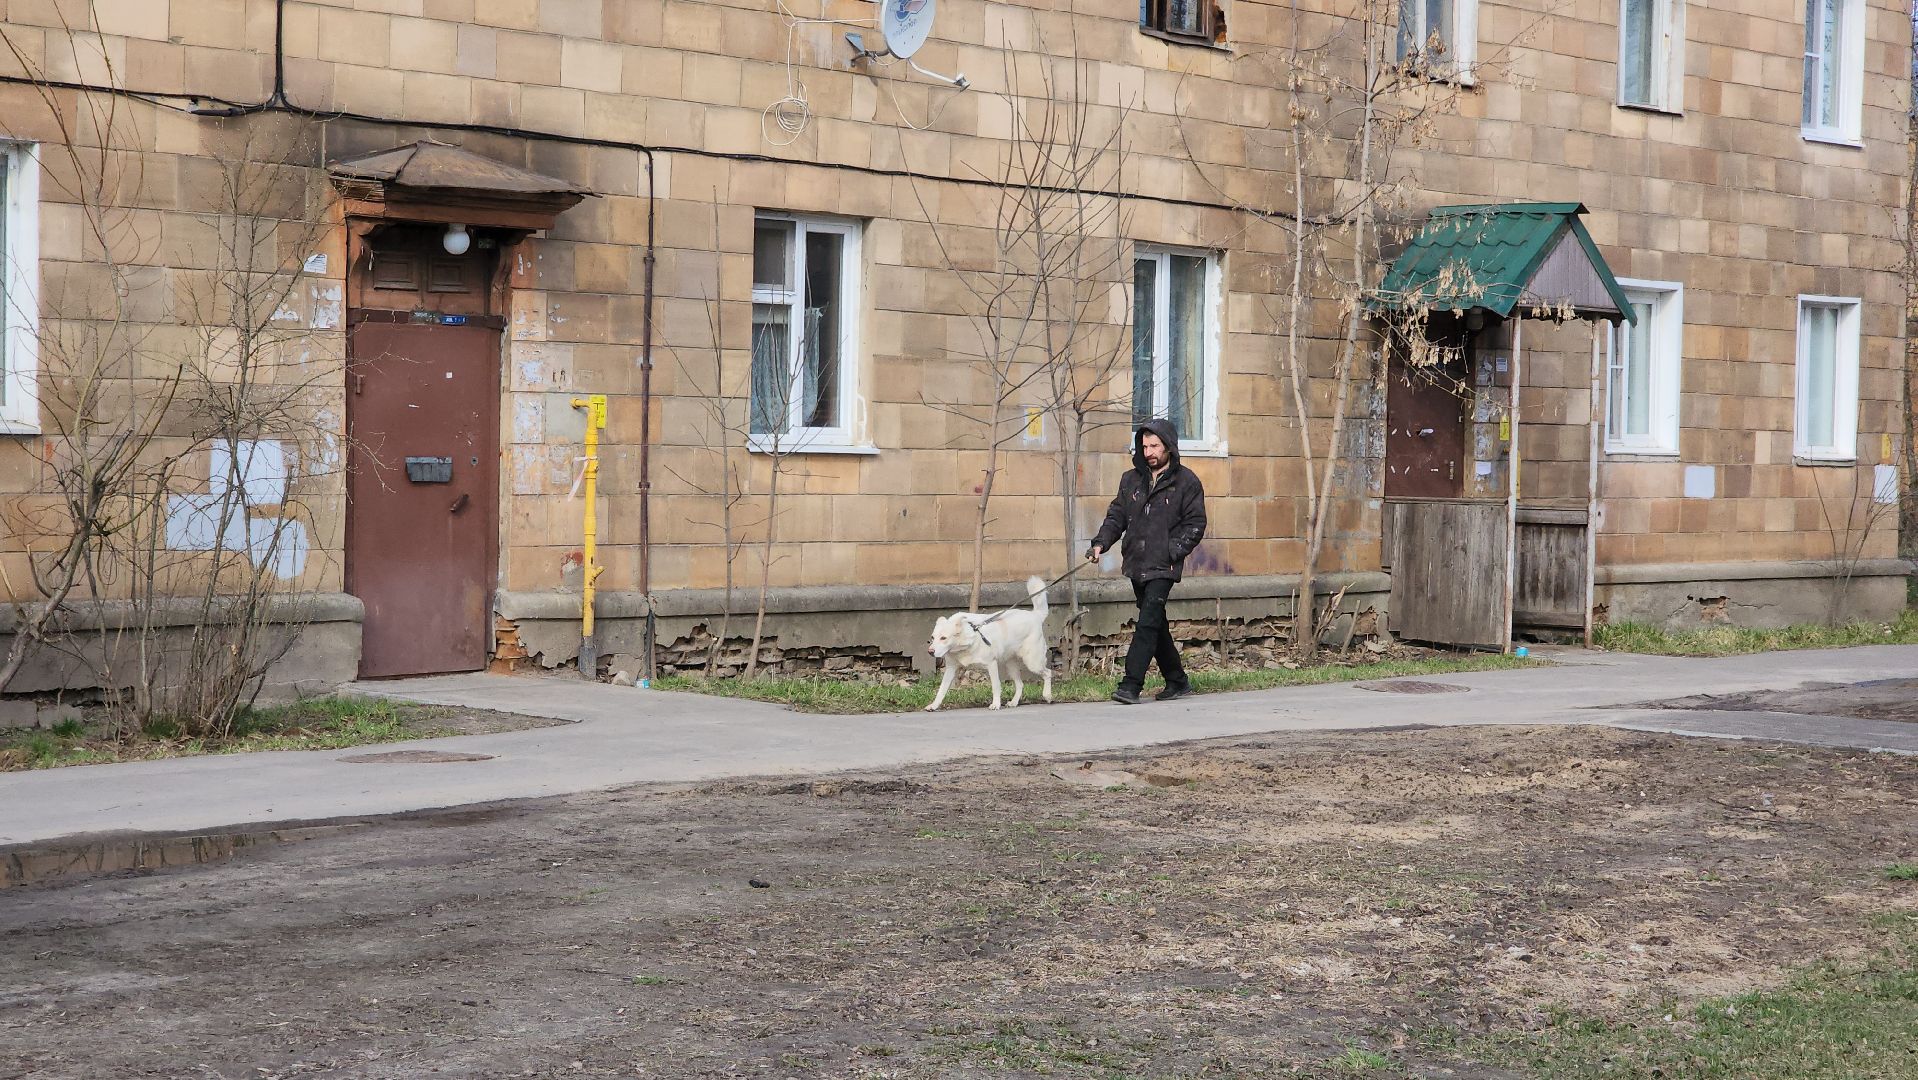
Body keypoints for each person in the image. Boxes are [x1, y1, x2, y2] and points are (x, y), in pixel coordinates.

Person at [1086, 418, 1207, 705]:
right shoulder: (1131, 480)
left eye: (1155, 446)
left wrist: (1172, 551)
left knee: (1147, 621)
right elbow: (1117, 515)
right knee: (1156, 624)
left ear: (1169, 447)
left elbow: (1196, 523)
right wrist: (1101, 542)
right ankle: (1177, 681)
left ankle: (1130, 684)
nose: (1149, 451)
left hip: (1164, 565)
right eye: (1145, 446)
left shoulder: (1187, 482)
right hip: (1136, 562)